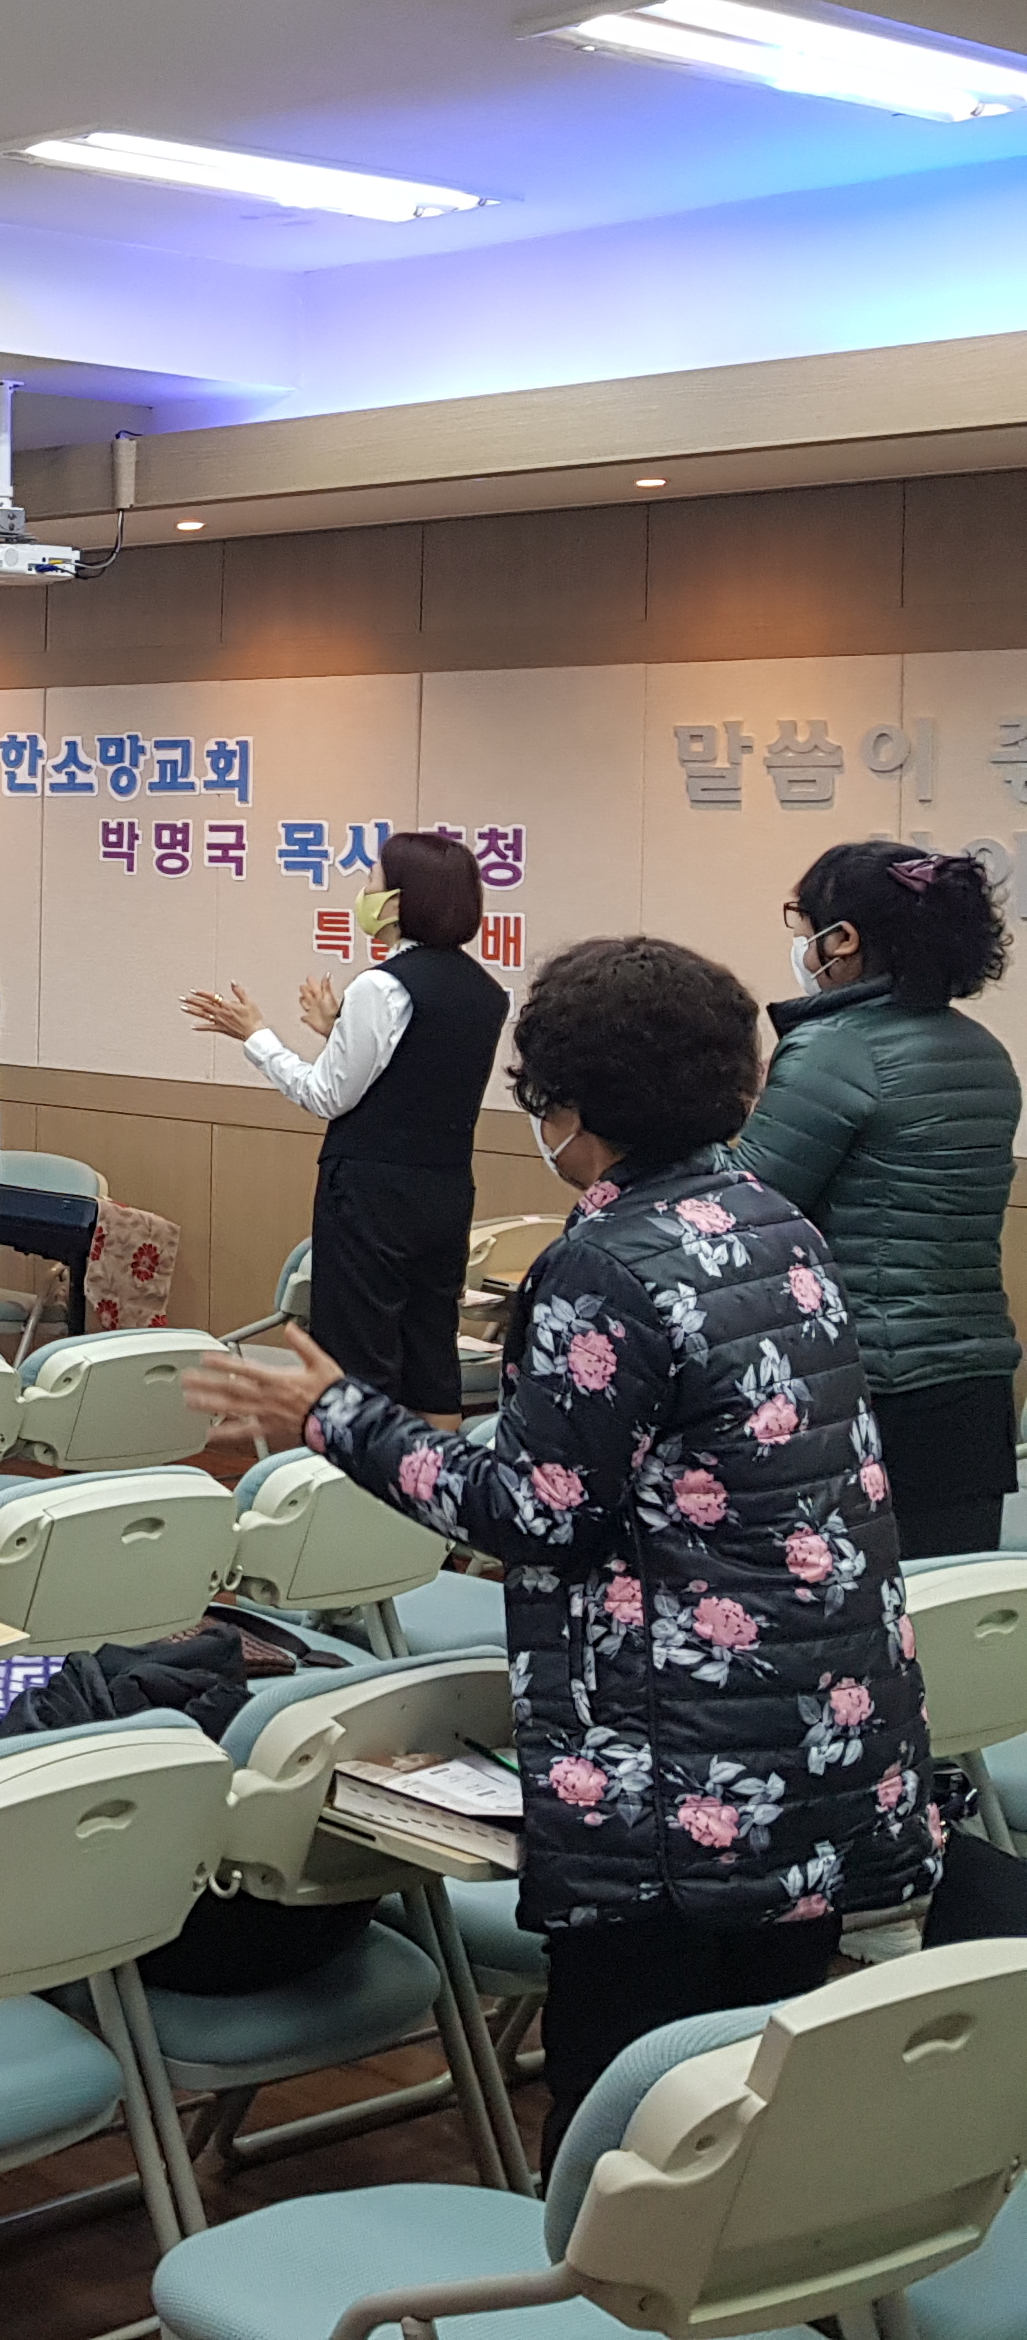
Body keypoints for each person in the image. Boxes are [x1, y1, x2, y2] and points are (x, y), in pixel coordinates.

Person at [185, 934, 935, 2162]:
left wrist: (332, 1416)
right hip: (819, 1745)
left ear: (570, 1109)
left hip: (677, 1781)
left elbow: (535, 1513)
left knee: (624, 2137)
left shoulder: (602, 1264)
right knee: (747, 2114)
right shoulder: (779, 1222)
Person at [741, 841, 1020, 1560]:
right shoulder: (985, 1051)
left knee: (856, 1612)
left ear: (843, 939)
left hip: (865, 1385)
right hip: (974, 1386)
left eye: (806, 928)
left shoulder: (834, 1047)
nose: (803, 946)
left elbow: (746, 1206)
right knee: (953, 1607)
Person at [183, 827, 505, 1419]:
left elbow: (326, 1095)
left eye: (372, 880)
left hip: (370, 1195)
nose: (364, 891)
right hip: (446, 1190)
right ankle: (436, 1477)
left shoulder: (382, 985)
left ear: (399, 902)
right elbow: (416, 1076)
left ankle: (356, 1473)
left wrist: (256, 1036)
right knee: (431, 1356)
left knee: (359, 1357)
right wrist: (338, 1031)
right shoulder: (485, 991)